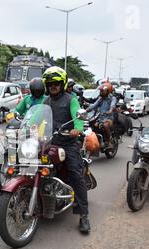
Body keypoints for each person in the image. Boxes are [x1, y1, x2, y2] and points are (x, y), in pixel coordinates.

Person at [42, 66, 91, 234]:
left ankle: (83, 215)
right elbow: (37, 117)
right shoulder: (46, 101)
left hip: (68, 143)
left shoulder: (72, 100)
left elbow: (77, 117)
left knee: (76, 175)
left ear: (62, 84)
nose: (53, 86)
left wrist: (77, 128)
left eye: (56, 83)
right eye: (50, 83)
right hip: (50, 142)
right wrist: (25, 126)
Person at [86, 82, 117, 149]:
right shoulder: (101, 98)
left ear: (107, 91)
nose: (101, 92)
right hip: (100, 118)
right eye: (100, 91)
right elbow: (94, 105)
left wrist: (110, 110)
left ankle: (109, 142)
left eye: (102, 91)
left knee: (105, 125)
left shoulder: (112, 98)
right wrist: (86, 110)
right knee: (91, 126)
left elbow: (112, 105)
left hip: (109, 118)